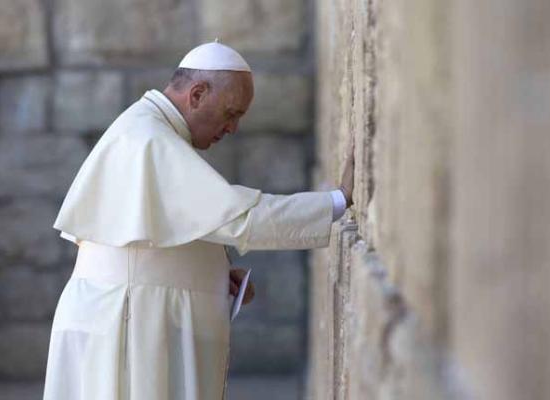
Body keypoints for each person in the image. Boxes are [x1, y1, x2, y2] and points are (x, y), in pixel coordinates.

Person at [42, 41, 354, 400]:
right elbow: (241, 218)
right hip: (124, 328)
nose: (233, 128)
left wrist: (212, 272)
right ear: (197, 94)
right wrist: (337, 201)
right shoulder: (149, 140)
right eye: (231, 113)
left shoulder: (150, 129)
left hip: (126, 318)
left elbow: (157, 237)